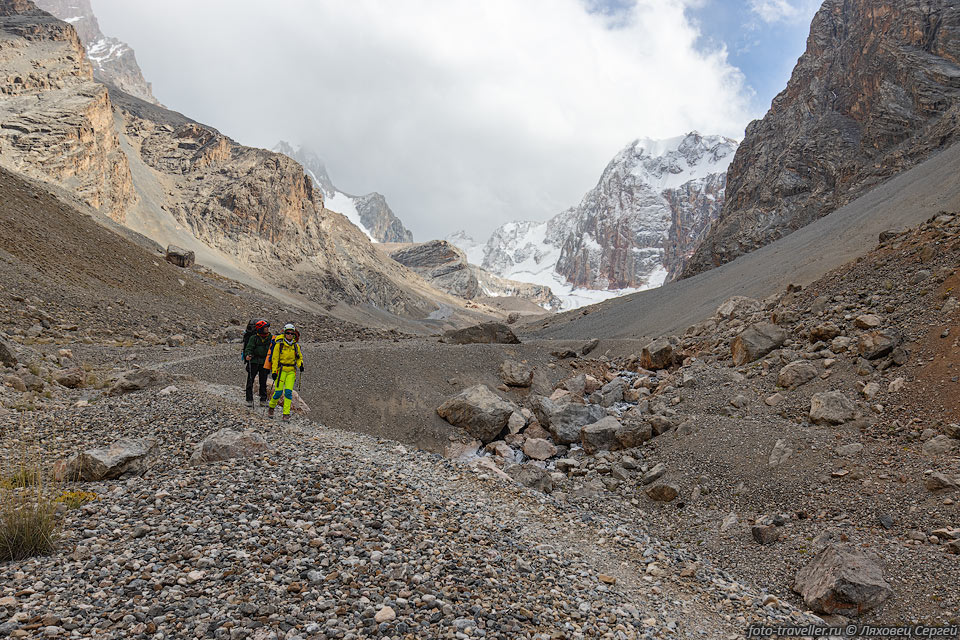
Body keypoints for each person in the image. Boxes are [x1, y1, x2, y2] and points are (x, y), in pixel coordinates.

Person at [268, 323, 303, 420]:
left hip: (291, 371)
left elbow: (299, 358)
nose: (290, 335)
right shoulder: (279, 345)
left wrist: (301, 365)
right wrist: (274, 371)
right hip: (281, 371)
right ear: (284, 333)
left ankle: (286, 414)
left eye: (292, 333)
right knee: (278, 392)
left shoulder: (296, 346)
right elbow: (275, 359)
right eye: (288, 333)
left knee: (288, 392)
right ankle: (271, 407)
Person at [243, 320, 271, 407]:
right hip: (254, 361)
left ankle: (263, 399)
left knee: (263, 382)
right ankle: (249, 399)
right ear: (261, 329)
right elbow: (249, 348)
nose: (267, 329)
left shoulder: (270, 338)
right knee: (250, 381)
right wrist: (248, 355)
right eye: (265, 328)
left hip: (264, 362)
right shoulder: (253, 338)